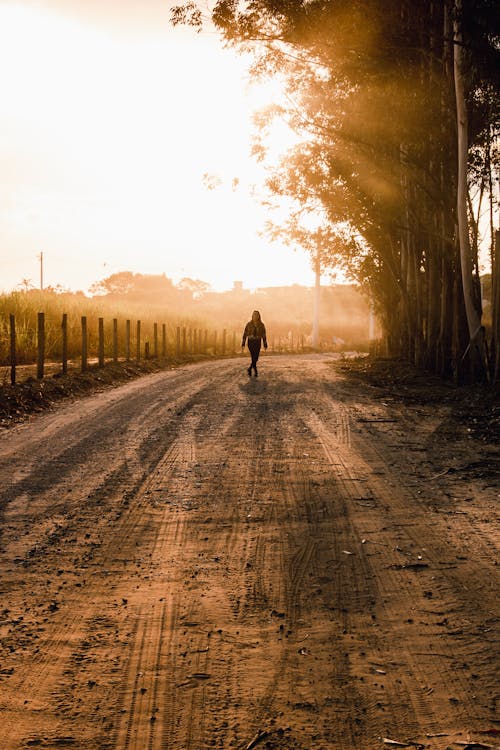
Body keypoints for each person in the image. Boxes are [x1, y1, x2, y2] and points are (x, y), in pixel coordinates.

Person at [241, 310, 268, 377]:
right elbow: (245, 334)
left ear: (259, 316)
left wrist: (265, 344)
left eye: (257, 315)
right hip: (251, 342)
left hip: (258, 342)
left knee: (256, 357)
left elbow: (264, 335)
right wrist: (243, 343)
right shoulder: (249, 324)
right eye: (254, 315)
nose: (255, 316)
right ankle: (255, 370)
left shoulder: (262, 325)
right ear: (252, 316)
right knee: (253, 356)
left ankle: (250, 368)